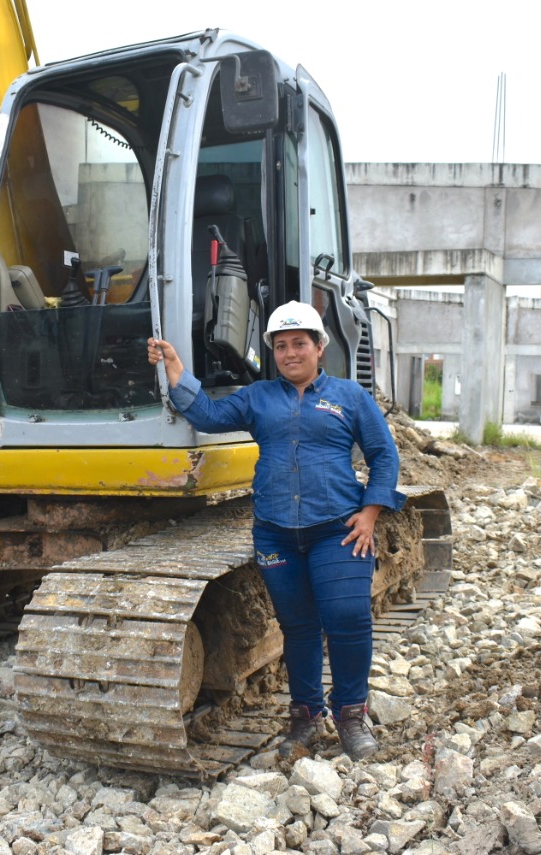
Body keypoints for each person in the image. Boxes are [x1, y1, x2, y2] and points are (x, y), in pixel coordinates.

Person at [146, 300, 406, 761]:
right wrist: (176, 369)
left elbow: (384, 455)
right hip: (276, 533)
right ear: (273, 352)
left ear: (319, 347)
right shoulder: (258, 397)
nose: (290, 353)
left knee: (347, 618)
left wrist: (370, 513)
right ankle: (305, 717)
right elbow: (207, 415)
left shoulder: (350, 396)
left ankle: (350, 714)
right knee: (298, 627)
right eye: (281, 346)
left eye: (299, 344)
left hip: (338, 530)